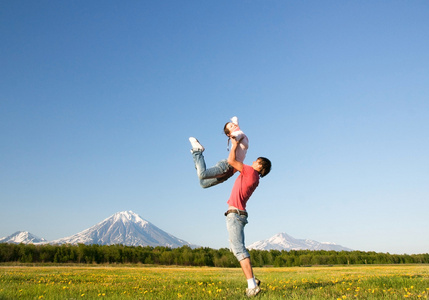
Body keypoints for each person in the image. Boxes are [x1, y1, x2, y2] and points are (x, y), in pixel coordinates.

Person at [225, 137, 271, 297]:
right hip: (238, 214)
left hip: (236, 214)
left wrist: (235, 144)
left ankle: (252, 285)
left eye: (256, 161)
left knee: (239, 250)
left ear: (260, 166)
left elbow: (231, 160)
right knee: (236, 248)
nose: (252, 161)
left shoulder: (251, 171)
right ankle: (253, 280)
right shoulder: (255, 177)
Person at [189, 116, 249, 189]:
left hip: (229, 173)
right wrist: (233, 136)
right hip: (227, 167)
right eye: (231, 126)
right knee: (202, 174)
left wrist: (234, 121)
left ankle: (197, 158)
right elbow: (237, 135)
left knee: (203, 183)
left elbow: (237, 130)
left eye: (233, 124)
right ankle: (197, 150)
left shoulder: (240, 133)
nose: (233, 125)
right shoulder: (237, 134)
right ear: (229, 134)